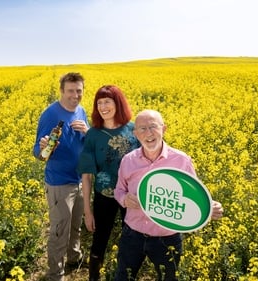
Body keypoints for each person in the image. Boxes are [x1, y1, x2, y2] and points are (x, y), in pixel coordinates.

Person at [113, 109, 224, 281]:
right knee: (123, 277)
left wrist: (209, 207)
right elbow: (119, 190)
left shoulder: (181, 160)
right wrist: (124, 199)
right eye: (142, 128)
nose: (148, 133)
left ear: (163, 129)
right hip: (132, 234)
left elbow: (192, 194)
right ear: (135, 134)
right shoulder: (128, 160)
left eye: (153, 127)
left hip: (167, 238)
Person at [77, 85, 140, 281]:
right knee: (100, 239)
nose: (103, 107)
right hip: (104, 195)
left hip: (131, 196)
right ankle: (94, 277)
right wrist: (87, 211)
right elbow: (86, 176)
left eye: (107, 102)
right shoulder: (93, 135)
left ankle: (126, 275)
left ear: (118, 103)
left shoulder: (133, 129)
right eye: (99, 103)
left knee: (132, 238)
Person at [33, 72, 89, 281]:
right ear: (61, 91)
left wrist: (87, 131)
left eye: (79, 91)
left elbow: (85, 144)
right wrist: (43, 148)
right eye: (71, 91)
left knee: (76, 224)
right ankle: (56, 274)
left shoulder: (81, 111)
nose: (75, 95)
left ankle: (75, 257)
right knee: (59, 230)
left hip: (79, 179)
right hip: (60, 182)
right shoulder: (50, 115)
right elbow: (38, 153)